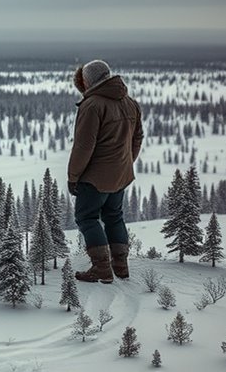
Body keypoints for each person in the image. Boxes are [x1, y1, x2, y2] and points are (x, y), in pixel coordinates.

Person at [68, 60, 143, 283]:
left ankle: (101, 268)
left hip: (95, 178)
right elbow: (137, 138)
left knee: (86, 217)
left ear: (89, 80)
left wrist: (73, 177)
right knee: (114, 216)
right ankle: (120, 265)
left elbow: (84, 146)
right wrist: (126, 163)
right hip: (120, 175)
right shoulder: (130, 102)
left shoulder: (92, 105)